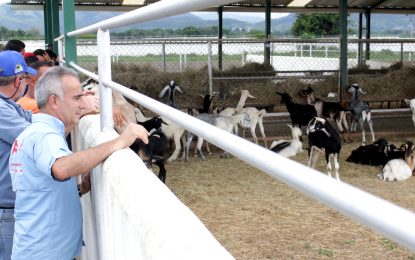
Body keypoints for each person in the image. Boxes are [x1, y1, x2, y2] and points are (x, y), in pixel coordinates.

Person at [9, 66, 149, 259]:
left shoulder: (36, 132)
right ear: (54, 101)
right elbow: (62, 168)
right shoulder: (45, 136)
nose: (83, 104)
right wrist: (120, 141)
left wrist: (79, 190)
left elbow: (39, 190)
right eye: (77, 98)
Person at [0, 50, 36, 260]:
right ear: (17, 81)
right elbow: (32, 138)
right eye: (25, 79)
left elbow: (33, 120)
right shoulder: (2, 110)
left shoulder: (9, 106)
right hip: (5, 211)